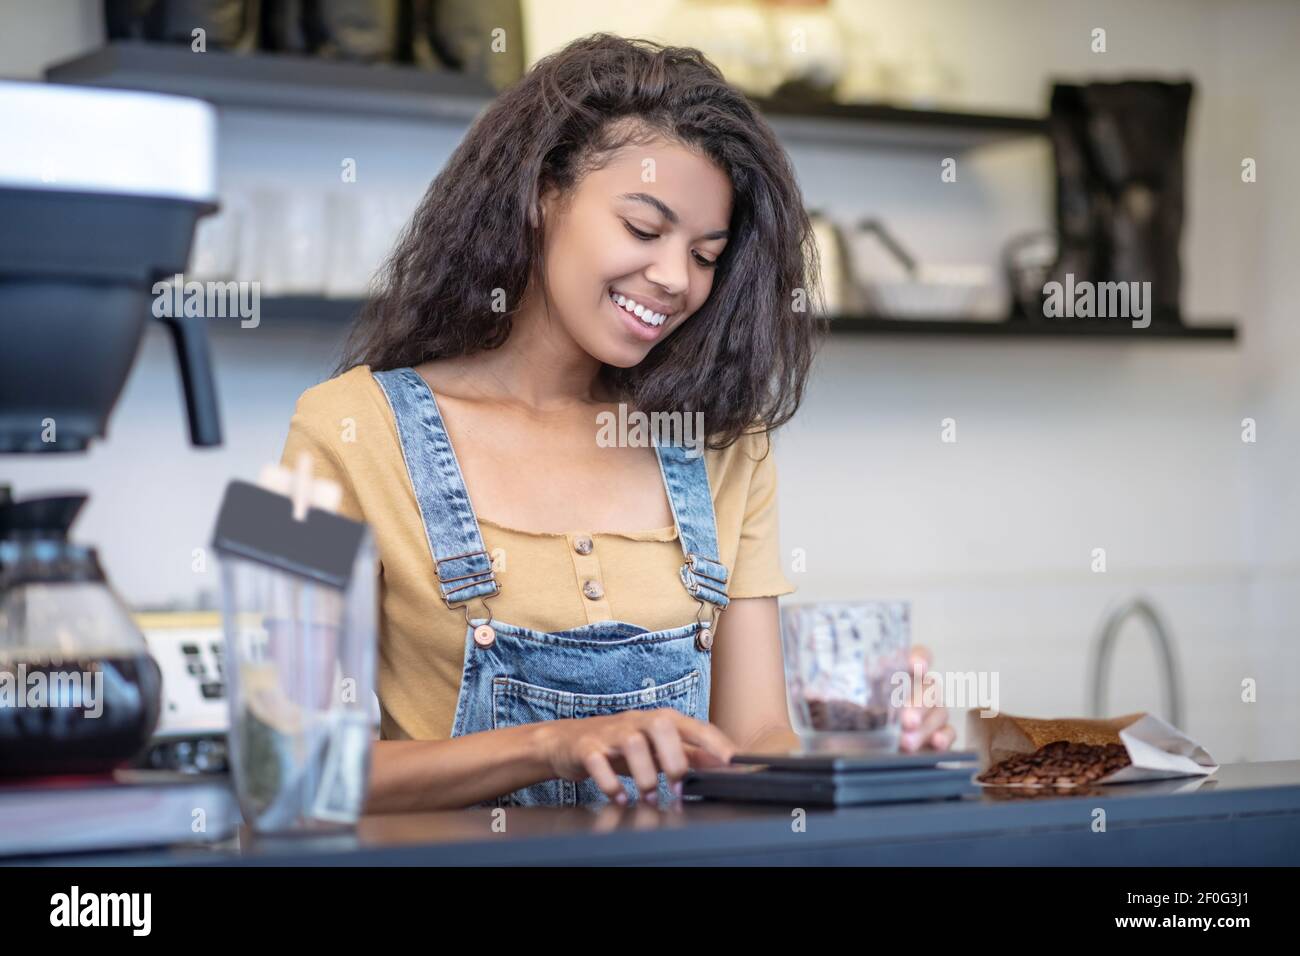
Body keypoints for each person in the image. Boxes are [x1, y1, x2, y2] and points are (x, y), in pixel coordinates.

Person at [281, 33, 954, 811]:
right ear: (542, 194)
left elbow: (756, 739)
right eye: (643, 229)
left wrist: (862, 749)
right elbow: (294, 767)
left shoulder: (725, 441)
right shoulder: (337, 428)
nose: (674, 279)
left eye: (706, 255)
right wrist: (548, 745)